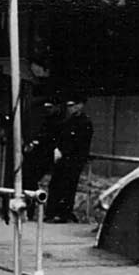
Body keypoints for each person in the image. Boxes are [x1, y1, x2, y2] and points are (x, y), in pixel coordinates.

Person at [46, 93, 93, 223]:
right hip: (62, 159)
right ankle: (52, 212)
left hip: (73, 160)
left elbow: (80, 143)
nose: (69, 108)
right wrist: (57, 149)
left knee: (68, 187)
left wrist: (64, 151)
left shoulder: (85, 123)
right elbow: (60, 137)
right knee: (55, 184)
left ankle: (63, 214)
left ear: (80, 106)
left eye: (72, 105)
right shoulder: (67, 122)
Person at [22, 98, 62, 192]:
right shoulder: (45, 120)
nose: (47, 110)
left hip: (44, 155)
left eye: (50, 107)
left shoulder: (55, 122)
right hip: (38, 154)